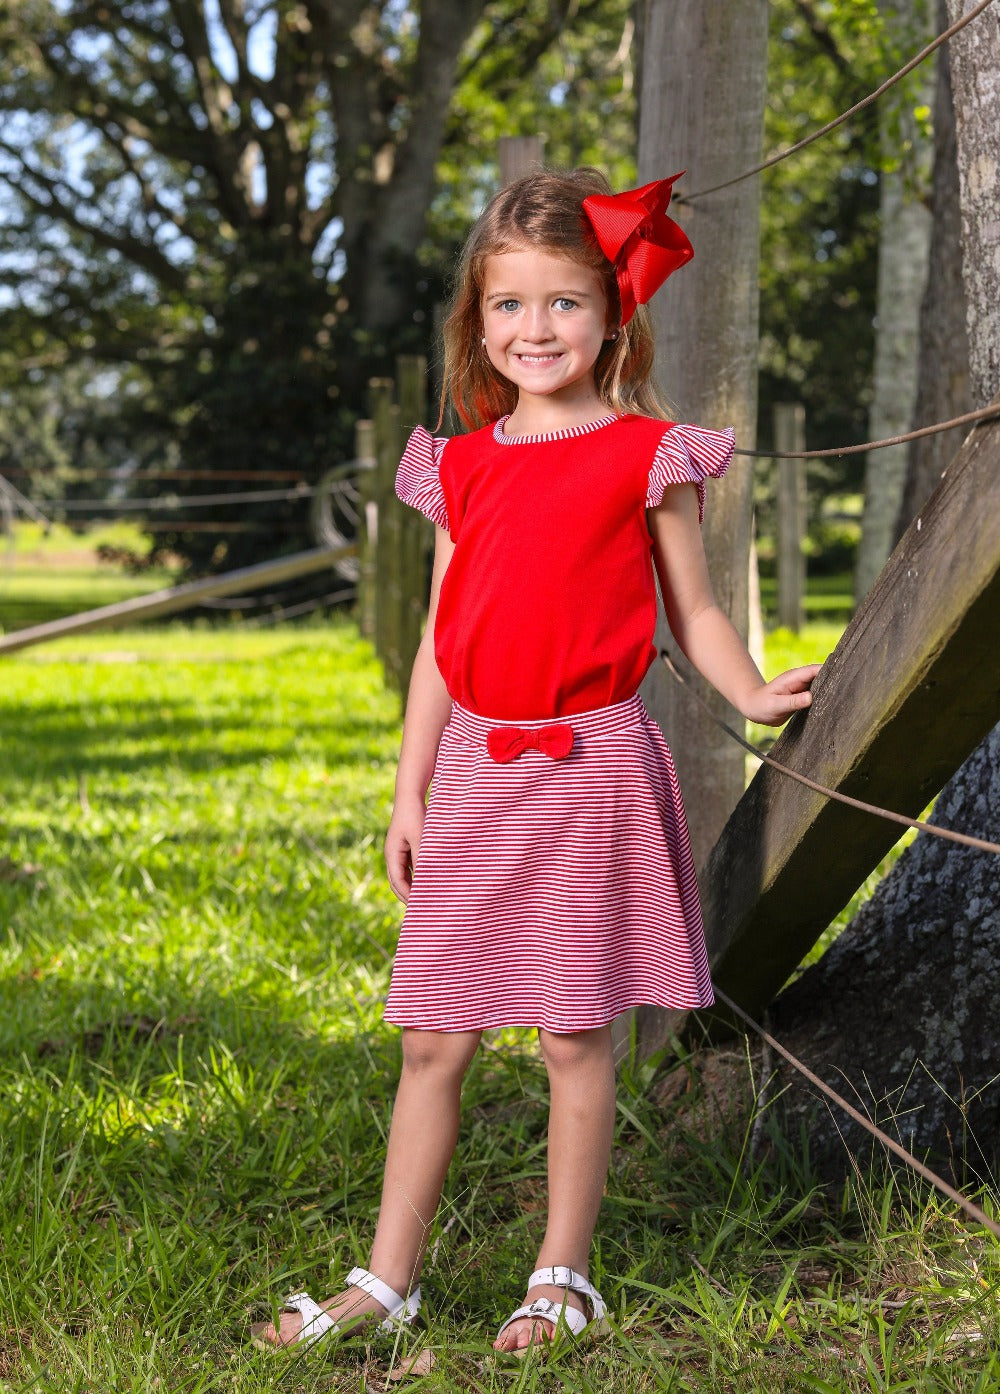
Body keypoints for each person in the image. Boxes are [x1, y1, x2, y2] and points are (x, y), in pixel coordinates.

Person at [253, 166, 821, 1357]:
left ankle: (560, 1274)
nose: (536, 329)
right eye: (510, 306)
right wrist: (408, 789)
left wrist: (754, 689)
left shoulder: (649, 454)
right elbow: (439, 648)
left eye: (563, 303)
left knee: (573, 1032)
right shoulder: (459, 464)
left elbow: (698, 615)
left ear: (612, 312)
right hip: (469, 773)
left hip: (590, 768)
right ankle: (386, 1277)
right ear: (478, 320)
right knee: (433, 1035)